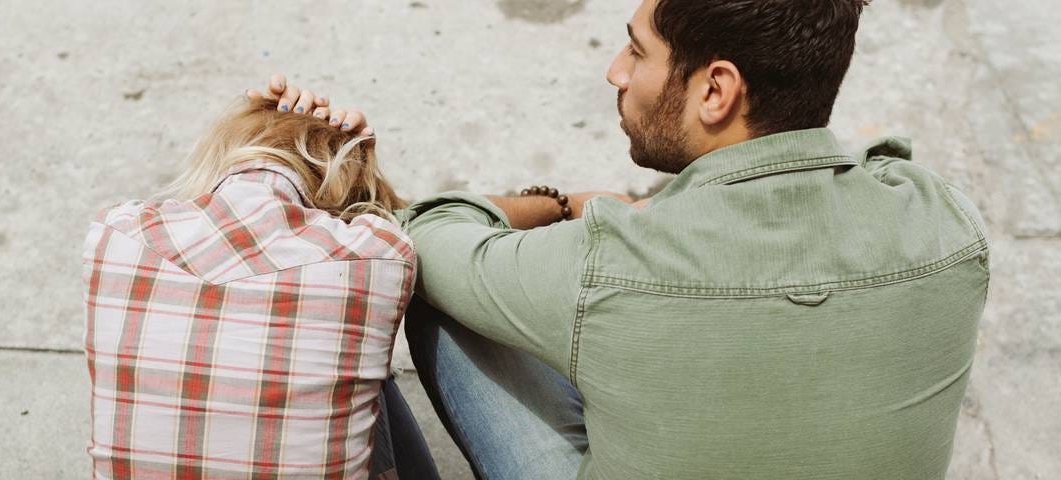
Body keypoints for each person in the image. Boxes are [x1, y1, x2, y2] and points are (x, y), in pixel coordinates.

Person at [264, 0, 990, 477]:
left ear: (716, 91)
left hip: (598, 285)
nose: (615, 71)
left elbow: (428, 230)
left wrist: (564, 204)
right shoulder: (949, 223)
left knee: (450, 300)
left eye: (636, 52)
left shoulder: (612, 258)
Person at [81, 97, 440, 479]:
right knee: (357, 359)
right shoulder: (377, 256)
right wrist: (356, 156)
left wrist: (264, 122)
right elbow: (399, 225)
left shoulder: (116, 234)